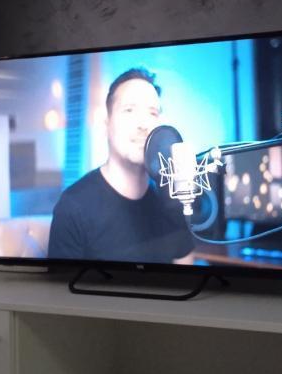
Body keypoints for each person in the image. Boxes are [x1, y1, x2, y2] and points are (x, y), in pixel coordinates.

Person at [47, 67, 193, 263]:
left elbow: (185, 265)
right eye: (129, 110)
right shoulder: (72, 207)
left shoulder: (172, 199)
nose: (143, 124)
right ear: (106, 126)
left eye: (152, 113)